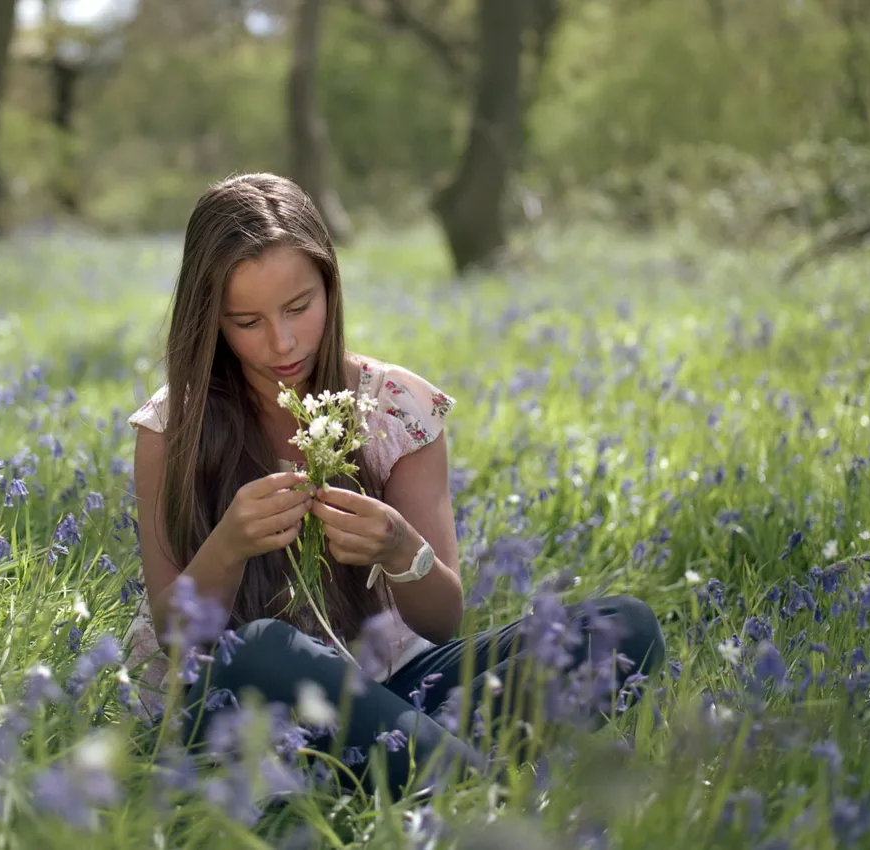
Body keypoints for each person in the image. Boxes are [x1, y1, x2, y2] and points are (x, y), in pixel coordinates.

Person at [122, 172, 665, 800]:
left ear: (331, 287)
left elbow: (442, 621)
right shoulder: (174, 427)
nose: (283, 342)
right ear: (211, 320)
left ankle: (410, 760)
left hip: (393, 686)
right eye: (247, 321)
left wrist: (402, 550)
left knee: (624, 627)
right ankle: (470, 786)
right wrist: (228, 547)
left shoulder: (397, 407)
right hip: (242, 702)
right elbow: (175, 638)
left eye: (299, 307)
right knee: (264, 647)